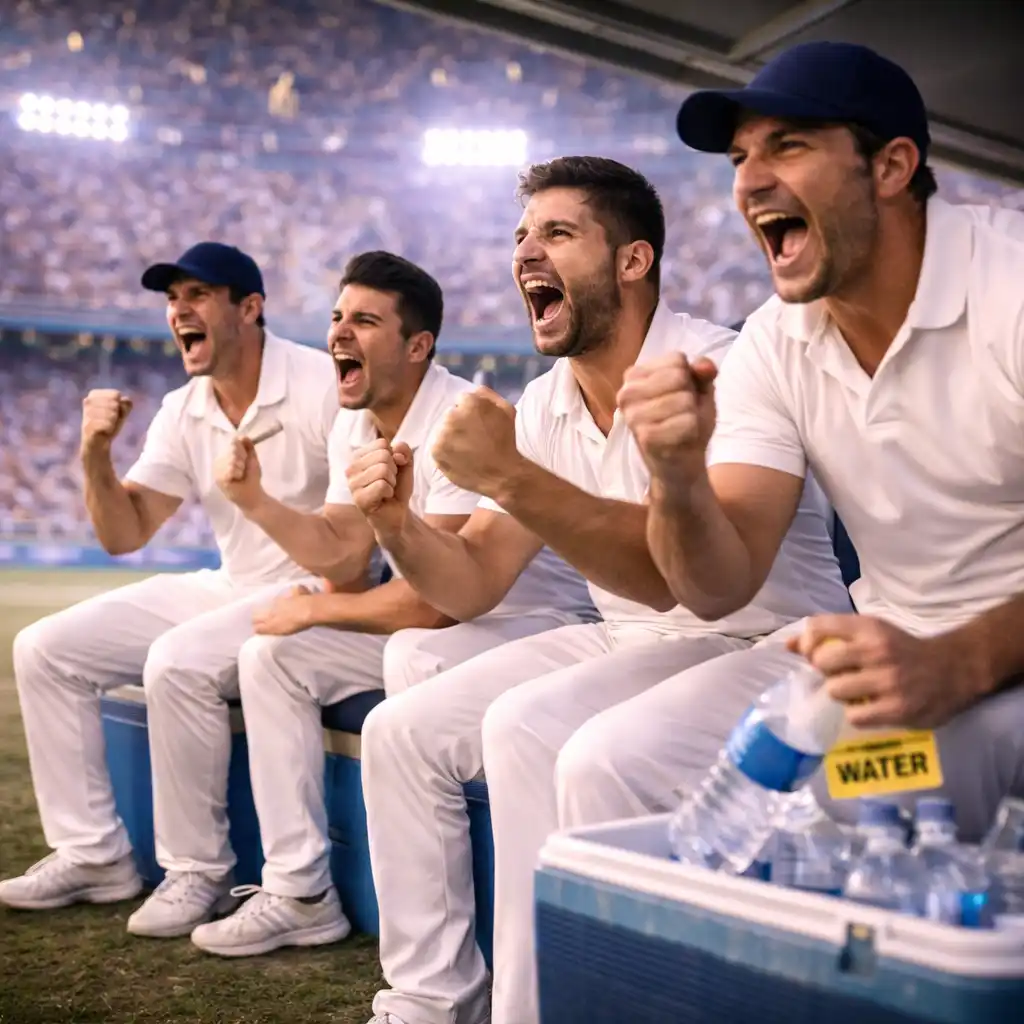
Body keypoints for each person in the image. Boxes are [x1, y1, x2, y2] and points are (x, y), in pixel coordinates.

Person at [354, 156, 852, 1024]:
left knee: (557, 738)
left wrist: (508, 475)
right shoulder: (545, 402)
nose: (525, 253)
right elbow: (472, 581)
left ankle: (555, 1005)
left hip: (765, 637)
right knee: (401, 730)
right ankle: (435, 999)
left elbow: (677, 585)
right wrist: (396, 525)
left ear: (632, 260)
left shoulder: (719, 367)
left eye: (557, 233)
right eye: (521, 236)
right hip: (635, 637)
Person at [616, 40, 1024, 845]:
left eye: (789, 145)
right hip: (889, 650)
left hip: (997, 656)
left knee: (882, 777)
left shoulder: (1010, 288)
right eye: (740, 157)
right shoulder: (774, 339)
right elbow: (717, 585)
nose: (749, 182)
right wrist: (676, 478)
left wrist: (963, 661)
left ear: (892, 166)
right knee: (615, 758)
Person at [186, 250, 592, 957]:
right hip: (457, 619)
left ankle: (458, 916)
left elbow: (441, 602)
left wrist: (314, 610)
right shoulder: (356, 423)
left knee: (412, 651)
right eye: (337, 317)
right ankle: (300, 892)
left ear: (417, 346)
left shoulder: (457, 423)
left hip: (526, 621)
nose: (339, 333)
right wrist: (254, 501)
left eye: (366, 321)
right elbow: (343, 557)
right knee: (272, 658)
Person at [0, 242, 339, 931]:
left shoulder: (319, 383)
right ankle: (94, 855)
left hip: (319, 588)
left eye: (198, 295)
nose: (179, 310)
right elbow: (125, 533)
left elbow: (352, 537)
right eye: (172, 299)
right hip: (236, 583)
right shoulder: (184, 409)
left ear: (250, 308)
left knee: (177, 661)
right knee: (44, 649)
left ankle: (199, 872)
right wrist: (95, 453)